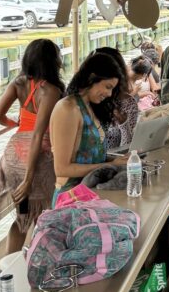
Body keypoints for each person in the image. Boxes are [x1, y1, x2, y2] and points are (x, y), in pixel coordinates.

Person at [0, 38, 64, 253]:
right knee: (43, 214)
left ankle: (8, 264)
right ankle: (39, 260)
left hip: (13, 156)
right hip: (37, 159)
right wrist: (29, 177)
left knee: (22, 217)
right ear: (53, 61)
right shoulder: (50, 90)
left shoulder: (19, 83)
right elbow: (38, 135)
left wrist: (18, 124)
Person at [49, 52, 128, 204]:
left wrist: (119, 160)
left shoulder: (90, 107)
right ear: (92, 78)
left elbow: (90, 156)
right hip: (71, 198)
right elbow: (62, 168)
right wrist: (110, 165)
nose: (109, 94)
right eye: (107, 87)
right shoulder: (68, 109)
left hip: (91, 193)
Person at [94, 47, 140, 151]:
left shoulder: (128, 103)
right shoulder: (82, 102)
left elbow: (126, 150)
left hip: (114, 161)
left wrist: (123, 123)